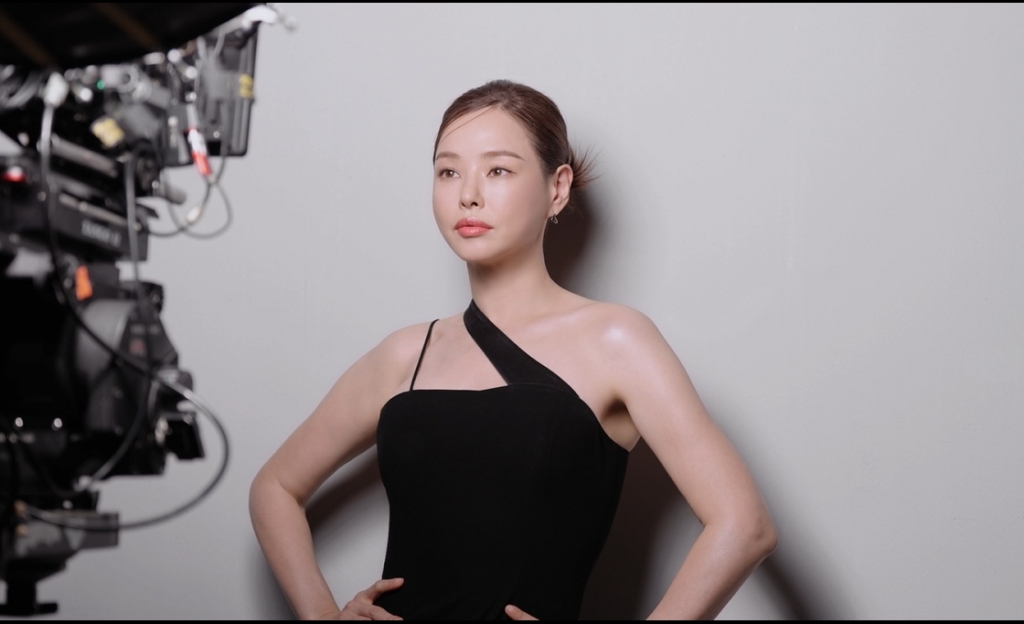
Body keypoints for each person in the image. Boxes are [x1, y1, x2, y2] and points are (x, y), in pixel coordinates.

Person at [248, 79, 777, 620]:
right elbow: (275, 487)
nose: (468, 194)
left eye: (498, 170)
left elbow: (744, 526)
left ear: (558, 188)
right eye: (448, 171)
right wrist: (323, 616)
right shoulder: (404, 355)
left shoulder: (616, 340)